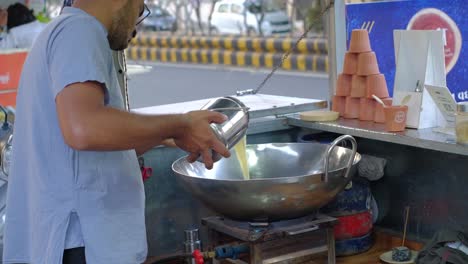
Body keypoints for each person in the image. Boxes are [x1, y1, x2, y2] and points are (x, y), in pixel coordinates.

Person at [2, 0, 230, 264]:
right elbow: (83, 129)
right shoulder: (79, 31)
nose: (136, 23)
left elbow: (88, 146)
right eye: (140, 8)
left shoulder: (64, 32)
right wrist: (179, 123)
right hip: (82, 244)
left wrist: (165, 135)